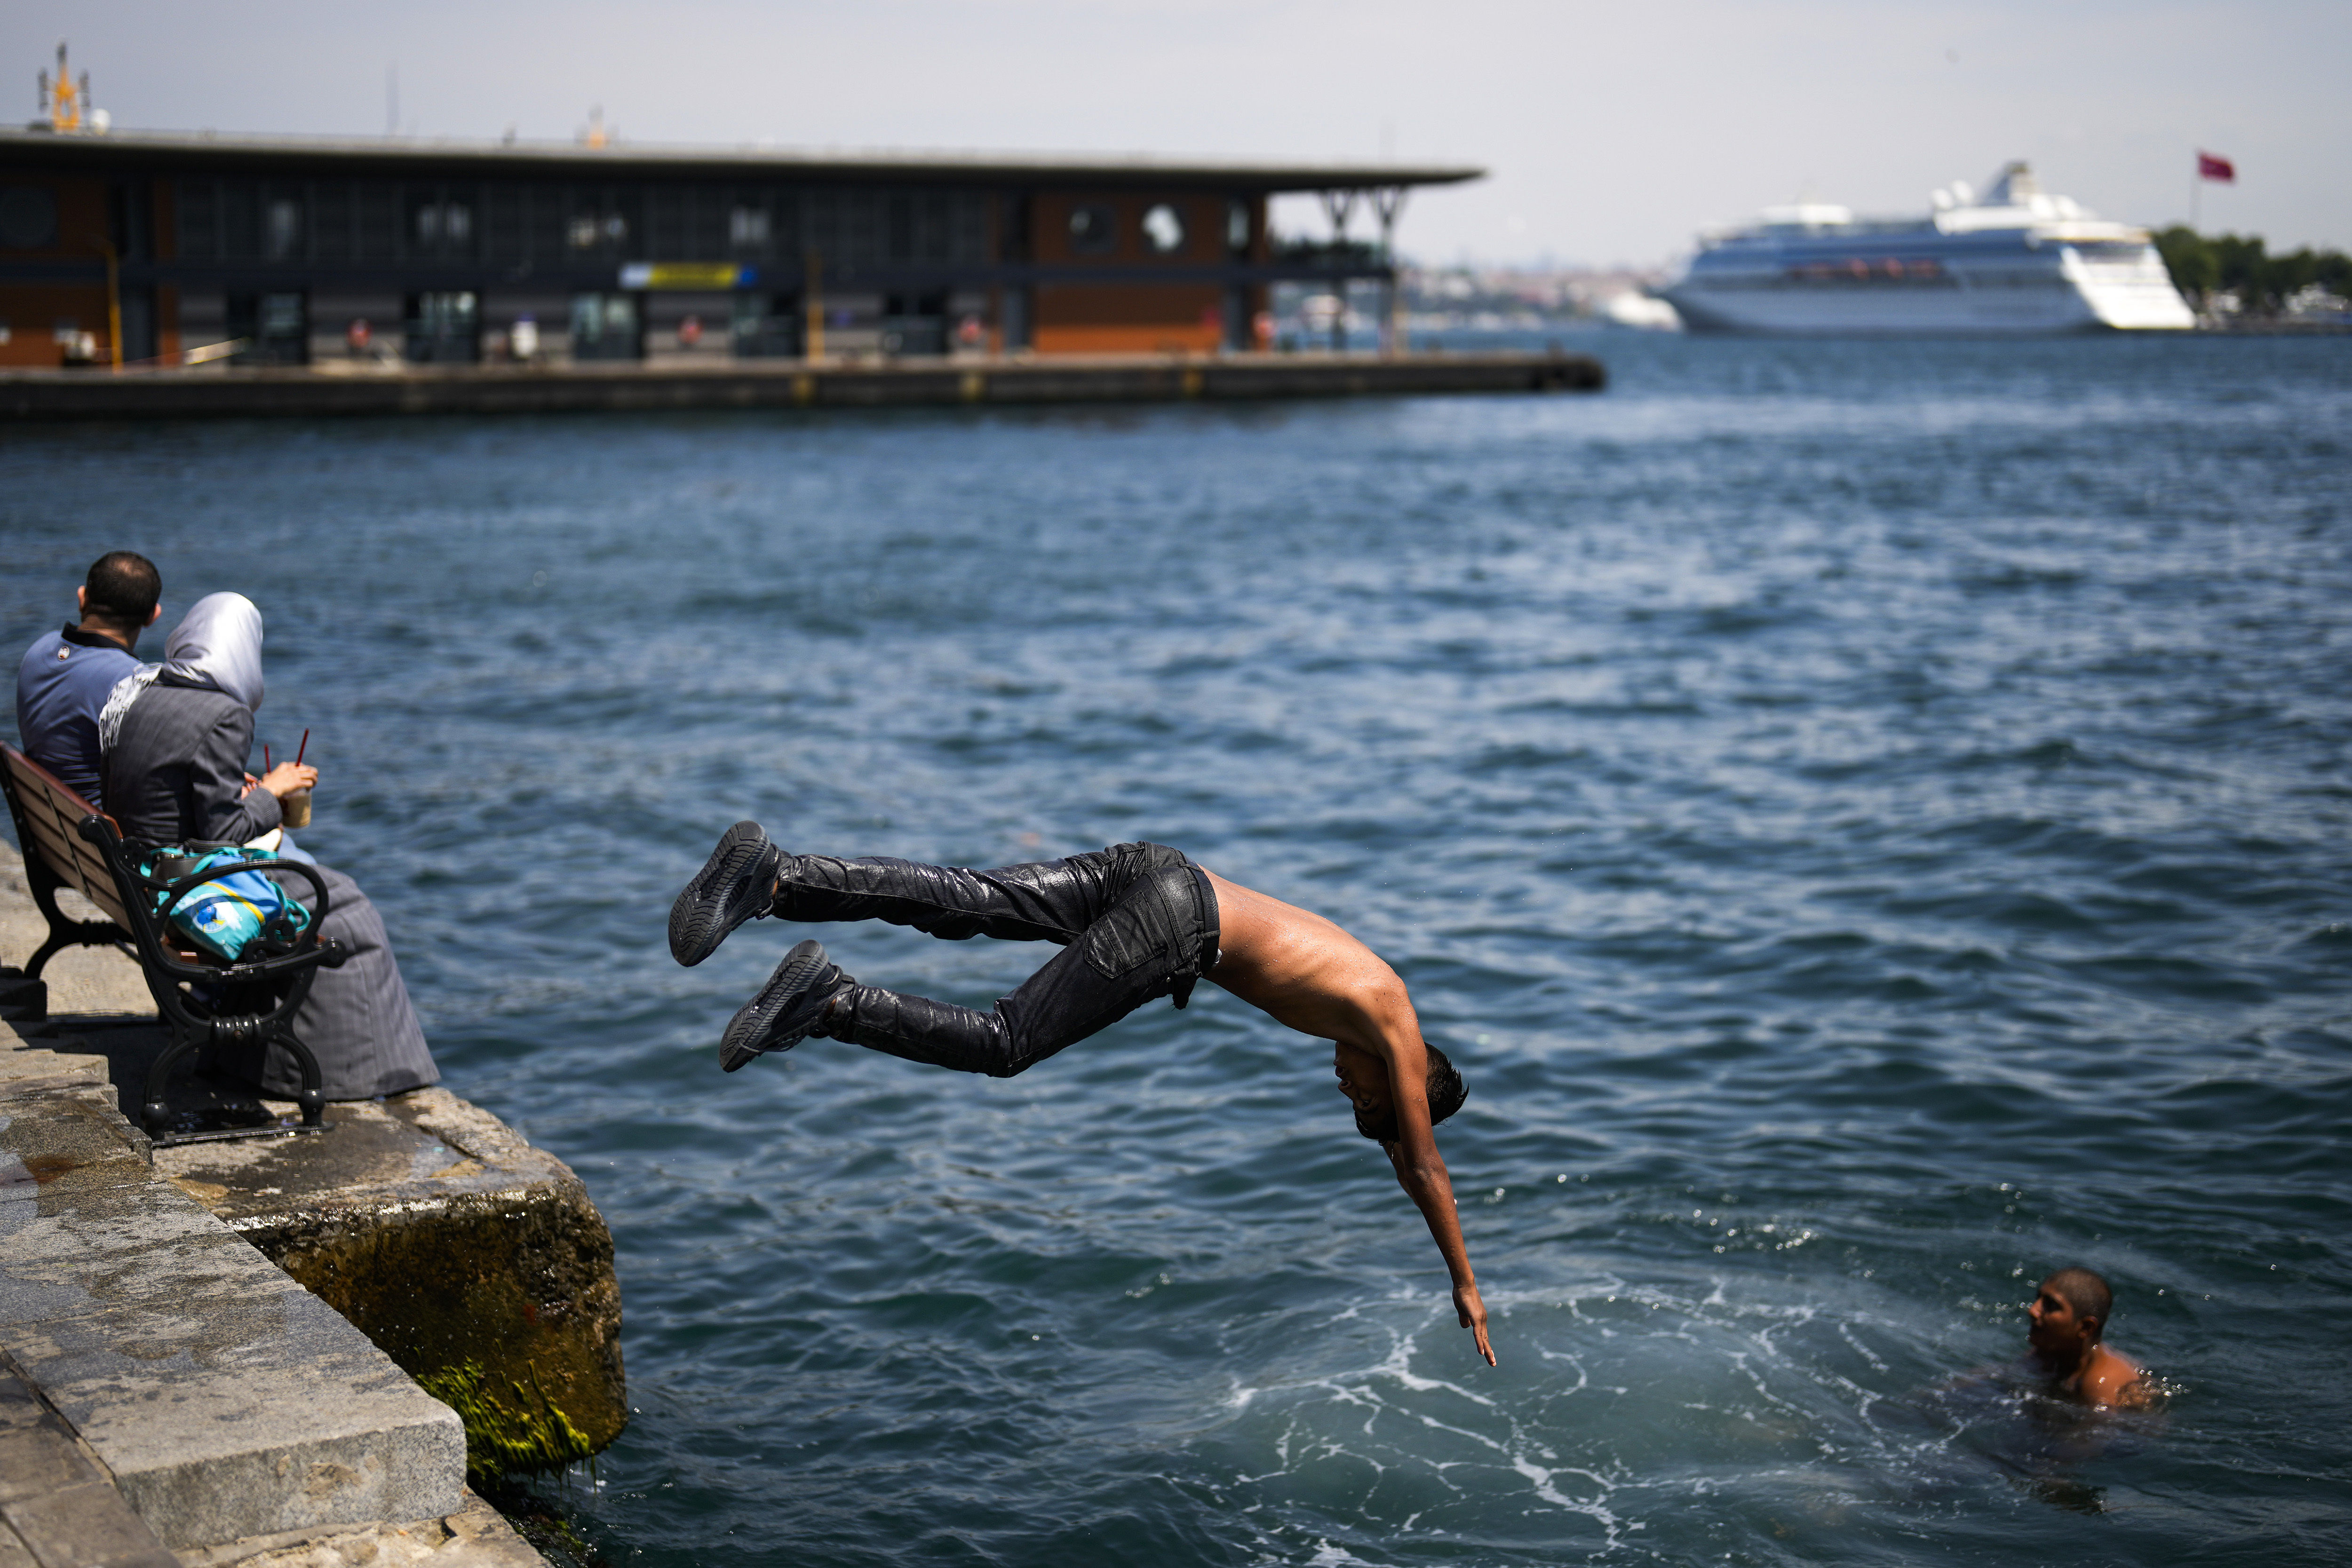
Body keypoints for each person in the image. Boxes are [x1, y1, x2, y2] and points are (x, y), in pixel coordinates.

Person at [671, 824, 1495, 1365]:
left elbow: (1399, 1151)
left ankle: (775, 879)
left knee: (969, 900)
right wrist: (1463, 1280)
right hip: (1176, 920)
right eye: (1364, 1097)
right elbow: (1423, 1163)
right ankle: (830, 1002)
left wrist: (1391, 1138)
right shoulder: (1393, 1019)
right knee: (1006, 1041)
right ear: (1408, 1077)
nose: (1345, 1087)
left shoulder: (1364, 1005)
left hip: (1161, 871)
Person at [98, 592, 438, 1102]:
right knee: (348, 910)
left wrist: (238, 791)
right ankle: (353, 1076)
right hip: (187, 891)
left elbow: (166, 793)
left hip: (143, 878)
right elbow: (223, 834)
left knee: (317, 892)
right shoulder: (223, 712)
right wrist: (273, 794)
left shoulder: (140, 689)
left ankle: (246, 1057)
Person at [14, 551, 163, 803]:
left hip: (53, 824)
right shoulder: (134, 683)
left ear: (82, 599)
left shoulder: (38, 651)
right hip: (101, 835)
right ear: (152, 616)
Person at [2025, 1267, 2150, 1409]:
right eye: (2038, 1298)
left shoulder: (2101, 1384)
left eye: (2052, 1306)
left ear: (2086, 1328)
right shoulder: (2049, 1352)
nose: (2033, 1310)